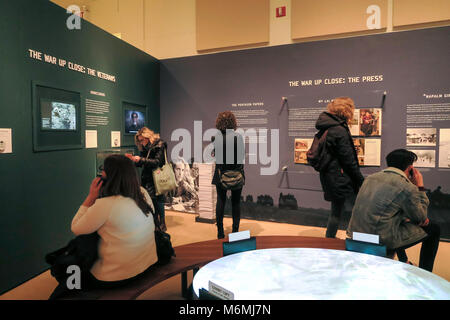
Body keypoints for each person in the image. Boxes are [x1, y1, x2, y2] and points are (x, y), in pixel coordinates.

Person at [70, 154, 157, 290]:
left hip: (116, 276)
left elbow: (76, 228)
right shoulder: (142, 193)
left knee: (71, 268)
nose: (100, 173)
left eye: (102, 170)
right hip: (147, 264)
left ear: (109, 176)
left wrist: (90, 197)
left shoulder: (105, 204)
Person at [347, 149, 440, 272]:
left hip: (354, 235)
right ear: (411, 168)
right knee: (434, 229)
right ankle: (426, 274)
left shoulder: (370, 179)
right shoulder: (406, 187)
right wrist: (420, 187)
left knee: (397, 219)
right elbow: (421, 217)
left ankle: (404, 261)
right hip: (379, 239)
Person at [314, 97, 364, 238]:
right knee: (357, 211)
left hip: (331, 175)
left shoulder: (328, 126)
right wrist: (361, 180)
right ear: (347, 111)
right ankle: (357, 241)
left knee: (336, 210)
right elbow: (348, 160)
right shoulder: (339, 130)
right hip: (340, 177)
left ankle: (329, 239)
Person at [126, 127, 168, 231]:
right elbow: (144, 163)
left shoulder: (159, 144)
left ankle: (162, 223)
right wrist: (135, 160)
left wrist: (141, 159)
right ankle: (156, 223)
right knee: (151, 201)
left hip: (158, 177)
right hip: (148, 177)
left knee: (158, 201)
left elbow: (157, 162)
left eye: (142, 140)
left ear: (148, 137)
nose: (141, 142)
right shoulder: (144, 147)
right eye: (139, 141)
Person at [212, 111, 245, 239]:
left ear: (219, 122)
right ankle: (235, 233)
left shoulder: (215, 137)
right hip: (236, 173)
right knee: (236, 203)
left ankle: (220, 232)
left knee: (220, 201)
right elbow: (242, 156)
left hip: (221, 173)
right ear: (233, 122)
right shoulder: (238, 137)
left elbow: (216, 156)